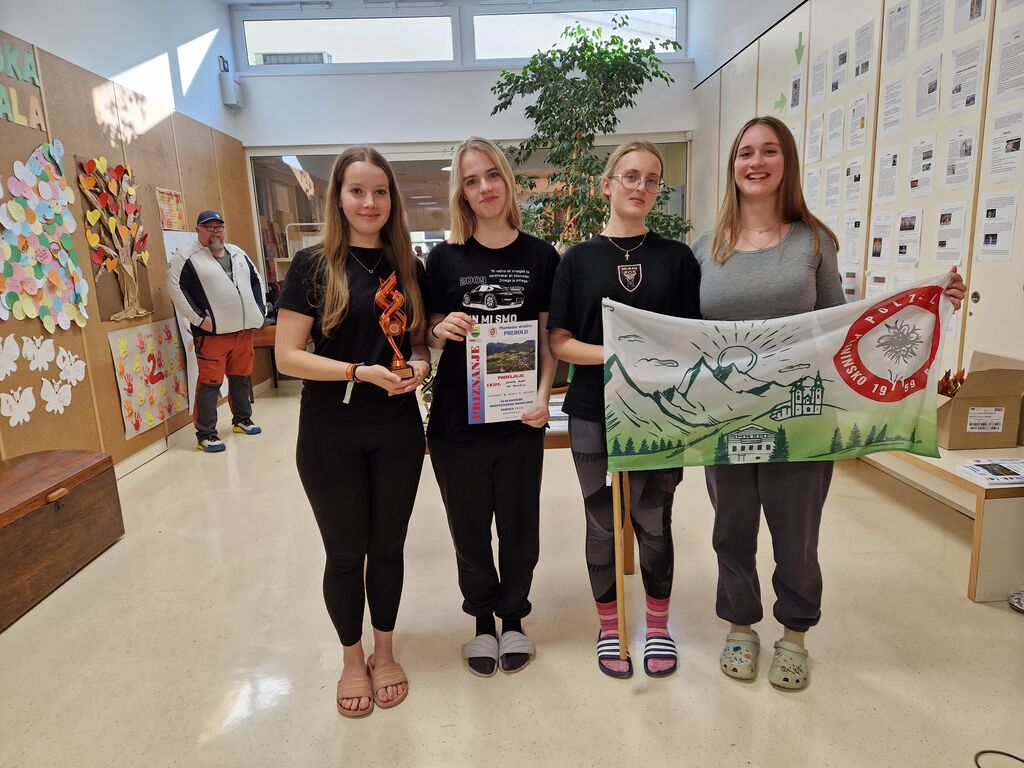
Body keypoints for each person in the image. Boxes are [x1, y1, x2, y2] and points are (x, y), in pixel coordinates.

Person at [692, 115, 965, 690]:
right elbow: (684, 332)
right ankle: (740, 626)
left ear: (786, 162)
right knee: (731, 529)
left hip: (803, 417)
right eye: (745, 152)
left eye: (769, 151)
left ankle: (795, 635)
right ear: (733, 165)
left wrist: (929, 303)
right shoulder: (705, 247)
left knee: (797, 532)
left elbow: (843, 327)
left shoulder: (814, 242)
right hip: (727, 416)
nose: (756, 162)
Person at [274, 146, 430, 718]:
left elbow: (418, 343)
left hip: (397, 429)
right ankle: (351, 658)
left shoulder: (407, 265)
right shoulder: (313, 265)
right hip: (329, 431)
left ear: (392, 199)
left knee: (387, 549)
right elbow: (288, 355)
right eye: (357, 191)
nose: (370, 202)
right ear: (338, 198)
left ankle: (384, 652)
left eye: (380, 191)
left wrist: (420, 367)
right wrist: (356, 372)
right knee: (344, 554)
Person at [548, 141, 701, 679]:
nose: (641, 187)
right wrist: (619, 354)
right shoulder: (576, 260)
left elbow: (691, 340)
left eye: (652, 179)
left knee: (653, 523)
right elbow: (561, 342)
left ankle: (657, 627)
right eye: (630, 176)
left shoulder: (678, 259)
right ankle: (609, 628)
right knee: (601, 523)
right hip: (592, 409)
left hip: (662, 412)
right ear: (607, 183)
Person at [425, 137, 559, 677]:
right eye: (471, 180)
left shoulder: (541, 257)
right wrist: (441, 329)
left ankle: (515, 617)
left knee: (521, 530)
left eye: (492, 175)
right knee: (469, 529)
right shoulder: (443, 258)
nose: (484, 187)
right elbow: (425, 335)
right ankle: (482, 621)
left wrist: (544, 397)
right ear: (461, 192)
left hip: (519, 420)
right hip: (457, 422)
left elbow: (548, 340)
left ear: (507, 179)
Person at [167, 210, 266, 452]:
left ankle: (242, 420)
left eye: (219, 227)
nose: (215, 232)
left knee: (241, 377)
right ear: (198, 230)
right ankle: (206, 434)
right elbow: (175, 288)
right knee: (210, 383)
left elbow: (256, 280)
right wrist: (199, 319)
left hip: (242, 331)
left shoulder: (237, 252)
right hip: (212, 336)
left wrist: (260, 310)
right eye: (209, 227)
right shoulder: (186, 258)